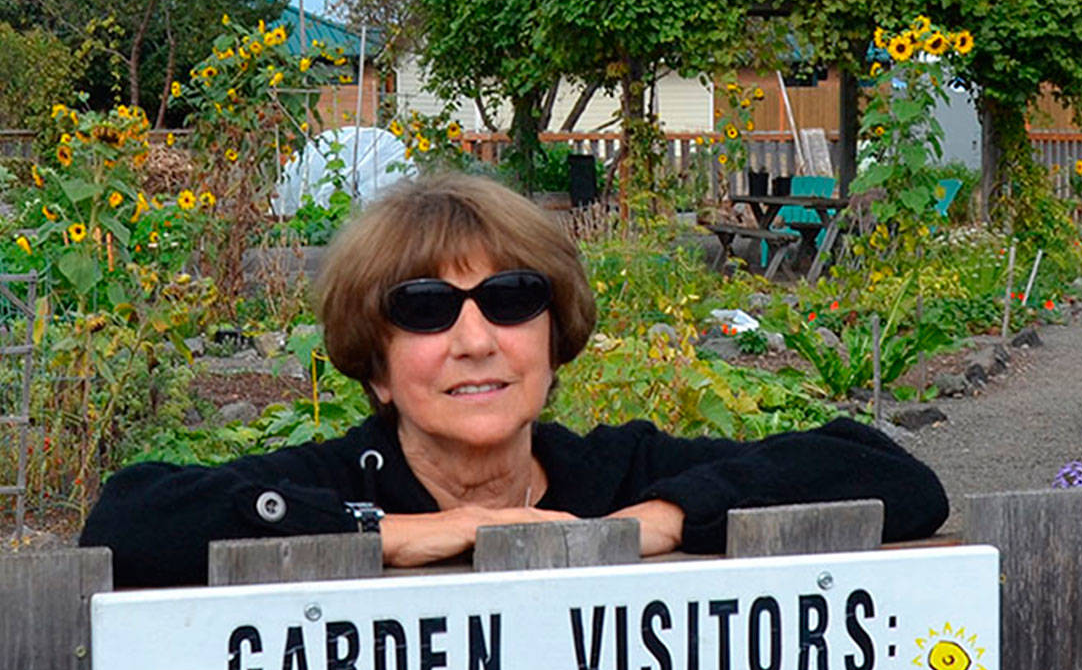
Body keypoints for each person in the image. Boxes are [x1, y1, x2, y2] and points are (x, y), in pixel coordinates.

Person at [81, 173, 948, 587]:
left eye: (509, 300)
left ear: (553, 338)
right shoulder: (335, 482)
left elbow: (887, 474)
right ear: (376, 366)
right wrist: (398, 533)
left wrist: (661, 520)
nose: (475, 340)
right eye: (425, 309)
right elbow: (128, 521)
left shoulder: (613, 476)